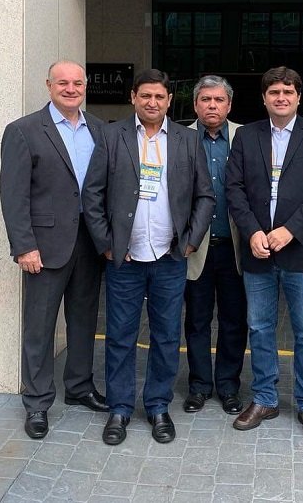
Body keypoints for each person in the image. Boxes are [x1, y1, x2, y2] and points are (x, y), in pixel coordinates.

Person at [83, 68, 215, 446]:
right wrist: (106, 243)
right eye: (145, 96)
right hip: (124, 258)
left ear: (169, 100)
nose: (152, 102)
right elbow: (92, 194)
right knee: (120, 336)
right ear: (133, 98)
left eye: (159, 96)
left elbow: (205, 196)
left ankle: (158, 406)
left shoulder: (188, 140)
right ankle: (120, 408)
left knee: (167, 336)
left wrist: (190, 241)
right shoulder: (112, 136)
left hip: (170, 256)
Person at [225, 66, 303, 443]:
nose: (281, 98)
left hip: (301, 251)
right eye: (274, 92)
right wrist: (252, 231)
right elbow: (234, 188)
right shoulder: (246, 135)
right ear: (264, 98)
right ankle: (264, 399)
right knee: (259, 328)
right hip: (258, 250)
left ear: (298, 98)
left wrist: (291, 230)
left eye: (288, 92)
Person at [0, 60, 107, 440]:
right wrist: (24, 246)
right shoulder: (24, 130)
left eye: (77, 83)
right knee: (40, 327)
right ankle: (37, 402)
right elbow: (13, 195)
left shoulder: (99, 129)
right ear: (49, 85)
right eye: (63, 83)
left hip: (90, 243)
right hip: (44, 248)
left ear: (85, 86)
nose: (71, 89)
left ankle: (78, 387)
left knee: (83, 320)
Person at [184, 75, 247, 416]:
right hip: (195, 248)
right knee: (196, 319)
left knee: (234, 320)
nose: (212, 105)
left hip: (235, 247)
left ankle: (228, 386)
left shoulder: (246, 137)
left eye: (219, 100)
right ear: (195, 104)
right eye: (205, 99)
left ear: (230, 105)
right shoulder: (179, 137)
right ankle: (199, 385)